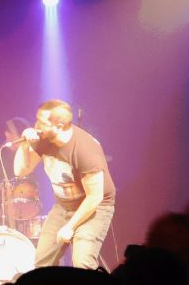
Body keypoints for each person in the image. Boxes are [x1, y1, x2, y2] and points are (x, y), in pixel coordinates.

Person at [13, 99, 115, 270]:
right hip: (64, 206)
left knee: (82, 263)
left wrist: (70, 227)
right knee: (42, 262)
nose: (36, 125)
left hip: (95, 207)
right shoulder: (44, 138)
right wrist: (24, 145)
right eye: (36, 119)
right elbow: (20, 171)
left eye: (42, 122)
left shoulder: (84, 150)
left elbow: (94, 197)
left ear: (59, 126)